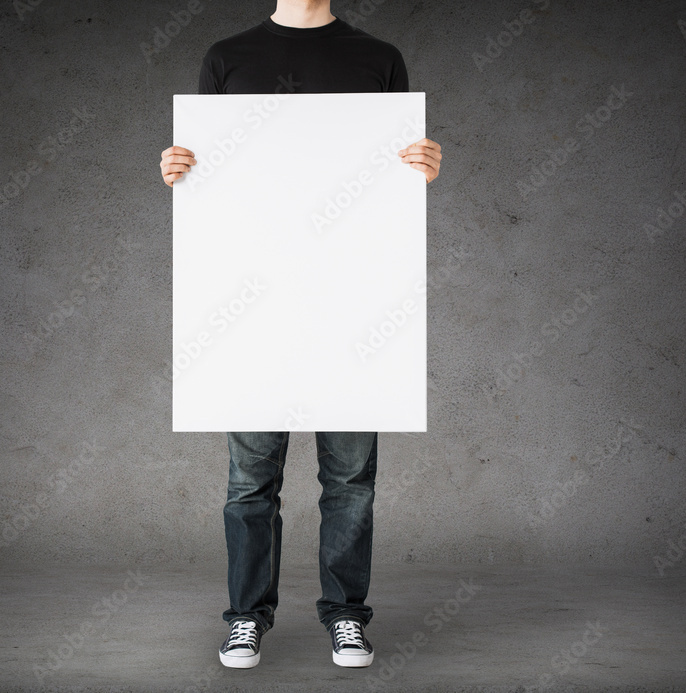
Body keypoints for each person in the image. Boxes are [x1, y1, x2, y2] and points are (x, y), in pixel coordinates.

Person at [159, 0, 442, 670]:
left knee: (350, 478)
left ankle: (346, 614)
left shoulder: (379, 59)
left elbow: (387, 188)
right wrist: (180, 170)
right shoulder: (227, 59)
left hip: (352, 300)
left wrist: (421, 168)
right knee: (250, 480)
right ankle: (245, 618)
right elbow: (215, 186)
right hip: (252, 304)